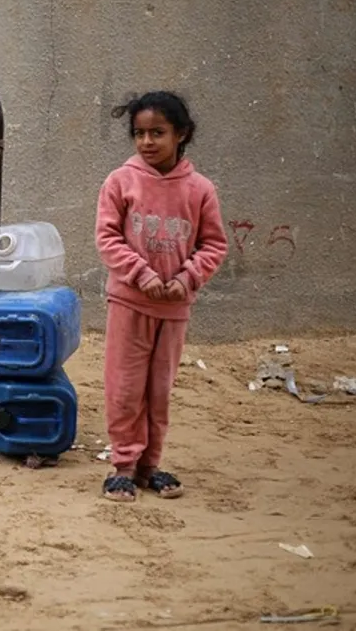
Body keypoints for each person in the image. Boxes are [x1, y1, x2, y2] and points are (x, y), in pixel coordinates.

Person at [94, 91, 227, 503]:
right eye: (139, 134)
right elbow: (107, 237)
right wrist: (141, 274)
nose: (147, 142)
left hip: (173, 309)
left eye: (158, 133)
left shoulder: (200, 189)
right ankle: (123, 467)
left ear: (181, 134)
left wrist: (187, 279)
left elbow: (213, 245)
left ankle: (150, 466)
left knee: (158, 390)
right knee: (125, 387)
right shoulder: (120, 182)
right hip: (129, 304)